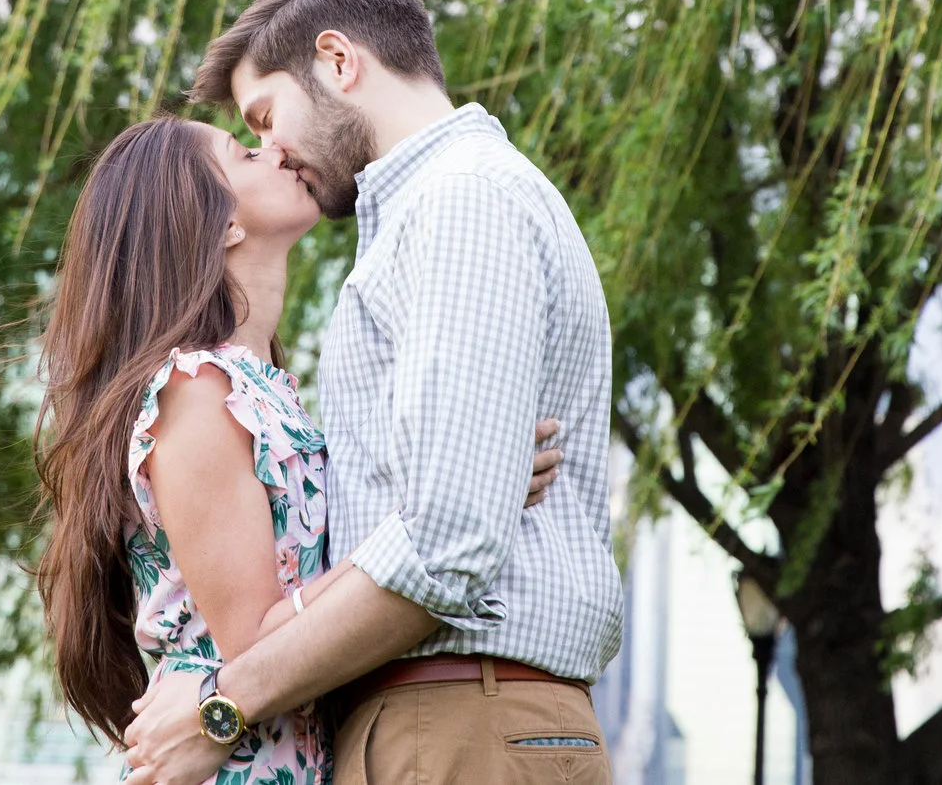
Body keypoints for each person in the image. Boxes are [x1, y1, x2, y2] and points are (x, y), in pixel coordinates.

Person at [123, 0, 623, 785]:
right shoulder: (427, 214)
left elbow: (449, 540)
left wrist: (223, 700)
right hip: (428, 720)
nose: (270, 147)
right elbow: (441, 517)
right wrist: (460, 478)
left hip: (463, 718)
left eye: (265, 113)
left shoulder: (461, 199)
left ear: (339, 61)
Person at [35, 113, 568, 785]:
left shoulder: (258, 389)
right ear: (222, 223)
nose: (275, 149)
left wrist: (463, 487)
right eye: (242, 151)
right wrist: (460, 495)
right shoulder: (195, 392)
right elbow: (258, 640)